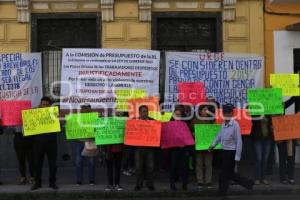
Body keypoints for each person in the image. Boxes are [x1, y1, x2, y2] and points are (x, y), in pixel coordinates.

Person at [209, 104, 254, 195]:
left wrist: (237, 156)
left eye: (228, 113)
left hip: (231, 153)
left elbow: (239, 141)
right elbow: (219, 136)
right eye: (225, 113)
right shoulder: (223, 124)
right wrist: (212, 145)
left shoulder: (235, 125)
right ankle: (248, 183)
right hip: (224, 151)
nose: (226, 114)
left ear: (232, 113)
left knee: (224, 174)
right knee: (229, 173)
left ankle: (222, 191)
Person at [31, 97, 59, 190]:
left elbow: (59, 128)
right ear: (40, 105)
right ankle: (37, 183)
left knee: (53, 164)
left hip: (51, 143)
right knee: (37, 164)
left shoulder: (54, 114)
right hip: (38, 143)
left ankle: (52, 182)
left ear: (50, 106)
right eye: (43, 104)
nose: (45, 106)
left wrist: (58, 119)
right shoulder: (35, 114)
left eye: (47, 105)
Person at [191, 105, 214, 190]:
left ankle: (208, 181)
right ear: (200, 111)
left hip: (209, 146)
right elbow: (190, 131)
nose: (206, 111)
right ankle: (200, 181)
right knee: (199, 164)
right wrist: (194, 134)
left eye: (207, 110)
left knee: (208, 164)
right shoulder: (195, 120)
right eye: (204, 110)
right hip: (199, 145)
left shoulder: (211, 120)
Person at [168, 109, 190, 191]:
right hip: (173, 150)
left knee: (183, 167)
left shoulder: (184, 124)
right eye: (176, 114)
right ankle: (172, 184)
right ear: (173, 115)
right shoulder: (169, 125)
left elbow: (187, 137)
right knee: (173, 167)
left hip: (182, 149)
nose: (178, 116)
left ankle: (184, 184)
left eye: (179, 114)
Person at [134, 105, 155, 191]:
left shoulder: (152, 122)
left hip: (149, 148)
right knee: (138, 167)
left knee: (150, 167)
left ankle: (150, 184)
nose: (145, 113)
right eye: (143, 111)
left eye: (146, 111)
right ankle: (139, 184)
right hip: (138, 148)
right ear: (139, 112)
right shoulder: (134, 122)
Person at [75, 104, 97, 185]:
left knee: (91, 162)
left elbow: (97, 129)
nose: (85, 109)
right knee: (78, 162)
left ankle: (91, 180)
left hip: (91, 141)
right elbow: (72, 128)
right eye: (84, 107)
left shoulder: (94, 118)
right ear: (81, 109)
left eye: (87, 107)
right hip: (80, 142)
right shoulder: (76, 118)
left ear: (90, 108)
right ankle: (79, 180)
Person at [104, 112, 125, 191]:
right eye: (116, 114)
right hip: (109, 150)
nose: (117, 115)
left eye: (119, 114)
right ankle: (110, 184)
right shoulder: (107, 124)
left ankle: (117, 184)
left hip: (119, 150)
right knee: (109, 168)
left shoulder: (122, 125)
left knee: (117, 168)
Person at [251, 115, 273, 185]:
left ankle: (263, 178)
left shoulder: (269, 114)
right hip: (258, 139)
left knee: (265, 159)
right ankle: (257, 178)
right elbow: (252, 123)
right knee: (259, 159)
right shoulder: (255, 113)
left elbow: (272, 124)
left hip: (268, 139)